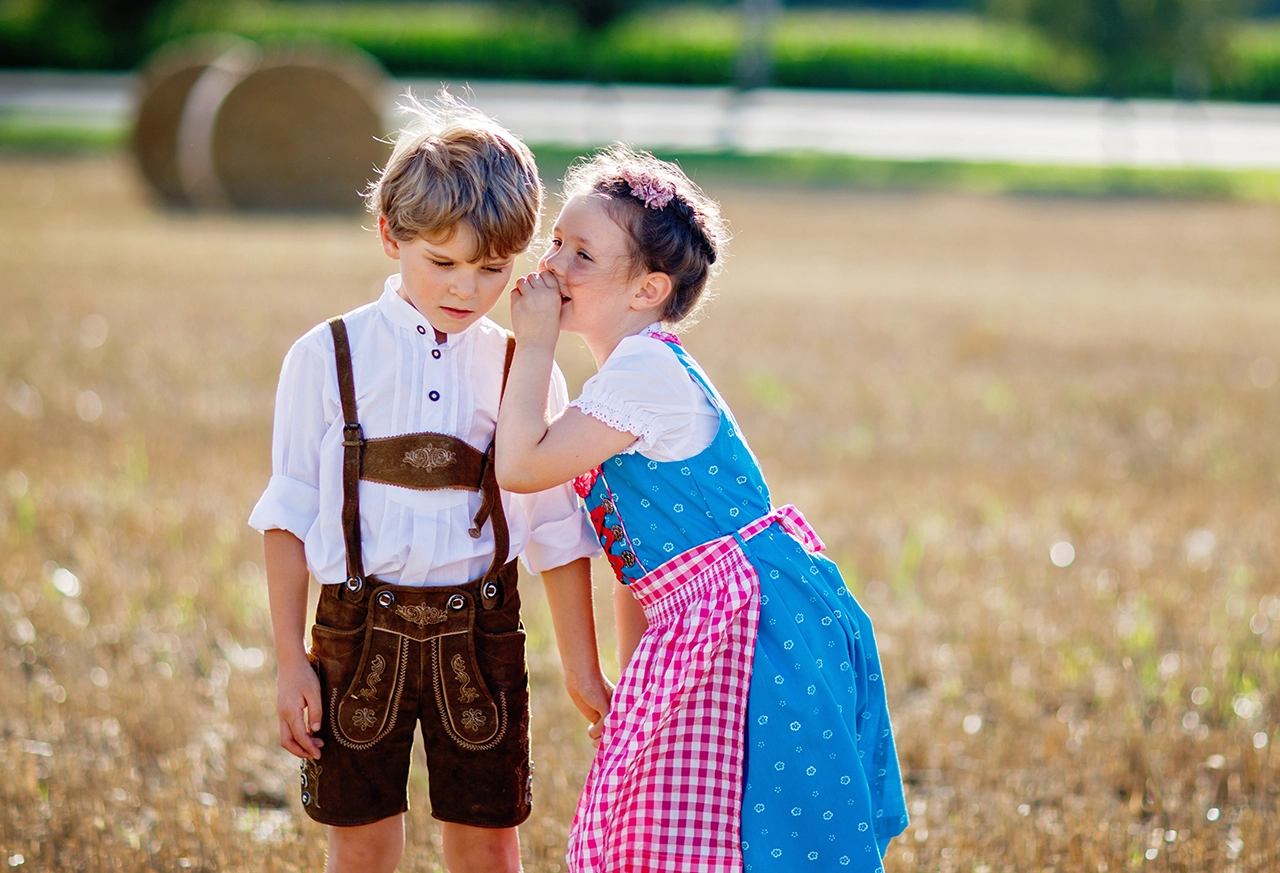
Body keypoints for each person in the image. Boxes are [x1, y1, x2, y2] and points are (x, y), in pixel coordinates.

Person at [495, 147, 909, 872]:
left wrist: (532, 346)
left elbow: (521, 464)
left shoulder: (647, 372)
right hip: (707, 616)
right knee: (664, 821)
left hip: (753, 628)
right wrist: (634, 683)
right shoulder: (628, 373)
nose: (554, 263)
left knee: (758, 828)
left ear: (648, 288)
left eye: (583, 254)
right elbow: (642, 570)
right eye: (556, 242)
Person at [247, 94, 611, 873]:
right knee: (363, 844)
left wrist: (583, 668)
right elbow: (289, 513)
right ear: (390, 236)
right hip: (354, 631)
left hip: (480, 633)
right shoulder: (327, 356)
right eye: (441, 262)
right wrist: (288, 656)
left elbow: (555, 528)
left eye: (492, 269)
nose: (466, 289)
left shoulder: (522, 364)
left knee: (488, 843)